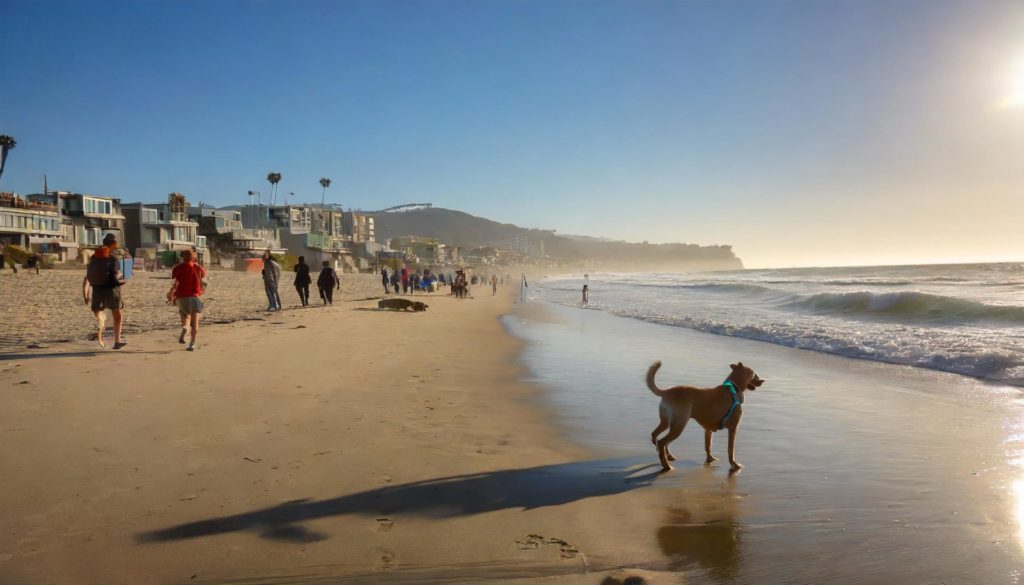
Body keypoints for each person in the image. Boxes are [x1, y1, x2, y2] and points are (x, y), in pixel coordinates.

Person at [82, 233, 126, 349]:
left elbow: (87, 277)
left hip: (97, 289)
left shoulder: (94, 258)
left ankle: (101, 325)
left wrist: (85, 294)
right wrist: (121, 277)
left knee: (99, 312)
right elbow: (116, 275)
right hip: (111, 289)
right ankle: (117, 341)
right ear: (114, 244)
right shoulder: (112, 259)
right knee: (117, 314)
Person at [168, 249, 206, 351]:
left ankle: (185, 327)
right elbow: (203, 277)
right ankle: (191, 344)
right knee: (195, 323)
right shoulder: (197, 267)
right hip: (193, 296)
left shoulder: (177, 268)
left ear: (182, 257)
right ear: (193, 257)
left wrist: (171, 292)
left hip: (181, 297)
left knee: (184, 314)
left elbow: (176, 282)